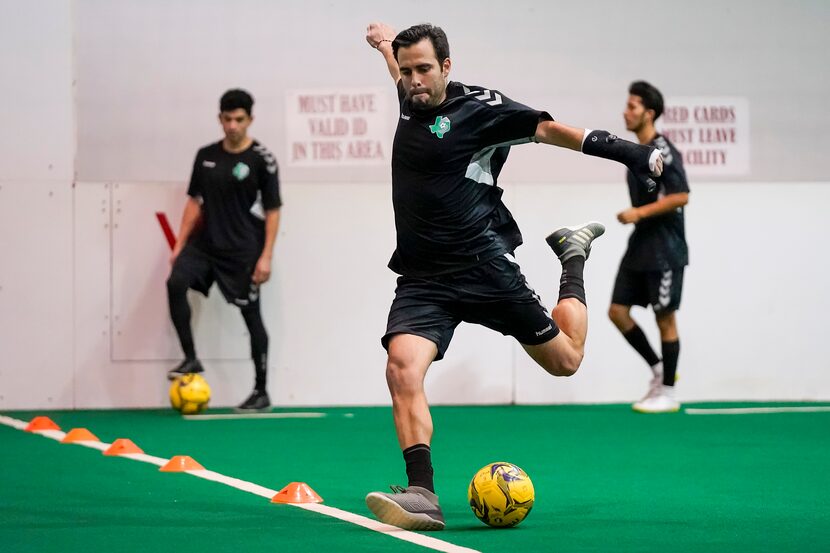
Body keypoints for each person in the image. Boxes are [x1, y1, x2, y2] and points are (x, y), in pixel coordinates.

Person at [363, 22, 664, 530]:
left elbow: (550, 130)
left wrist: (629, 154)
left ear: (447, 67)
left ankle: (572, 255)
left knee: (565, 360)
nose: (412, 80)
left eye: (423, 70)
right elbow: (398, 69)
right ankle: (422, 493)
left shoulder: (480, 110)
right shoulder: (409, 97)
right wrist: (384, 47)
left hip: (483, 267)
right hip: (423, 278)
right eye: (407, 70)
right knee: (401, 368)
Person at [166, 89, 281, 412]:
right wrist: (179, 245)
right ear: (220, 119)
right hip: (205, 246)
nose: (233, 125)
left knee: (251, 316)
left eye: (239, 119)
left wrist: (266, 256)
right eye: (227, 119)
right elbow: (194, 202)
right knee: (175, 283)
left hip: (242, 251)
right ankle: (190, 358)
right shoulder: (205, 156)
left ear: (250, 120)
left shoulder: (262, 159)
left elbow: (273, 210)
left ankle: (261, 392)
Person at [609, 81, 690, 414]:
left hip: (665, 248)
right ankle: (659, 370)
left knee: (664, 318)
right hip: (640, 244)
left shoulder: (664, 150)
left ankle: (668, 391)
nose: (626, 112)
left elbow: (681, 194)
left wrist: (637, 213)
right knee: (617, 311)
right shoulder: (636, 151)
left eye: (632, 106)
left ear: (649, 113)